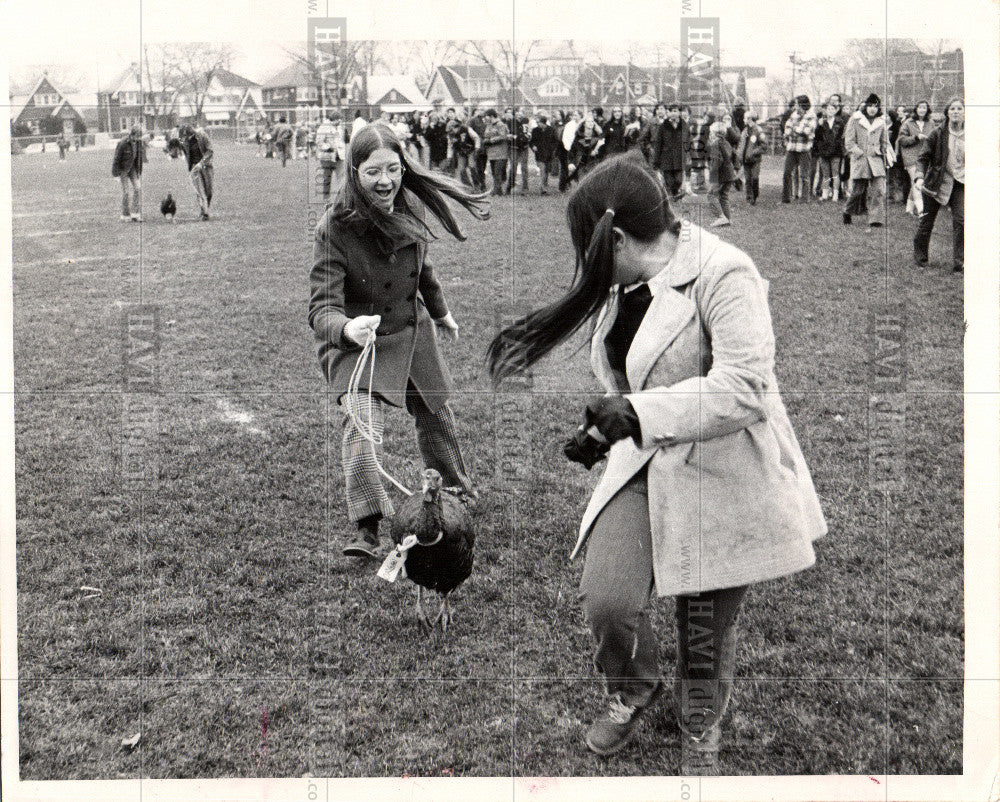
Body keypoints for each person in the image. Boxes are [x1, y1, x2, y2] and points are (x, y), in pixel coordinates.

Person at [486, 154, 825, 774]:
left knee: (700, 621)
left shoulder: (726, 273)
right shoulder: (626, 283)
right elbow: (630, 374)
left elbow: (746, 387)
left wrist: (636, 414)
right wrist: (607, 428)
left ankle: (702, 713)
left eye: (589, 249)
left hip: (723, 470)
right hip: (646, 462)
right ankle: (632, 687)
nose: (586, 267)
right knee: (608, 601)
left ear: (615, 238)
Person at [308, 123, 490, 558]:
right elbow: (321, 309)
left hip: (411, 331)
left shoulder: (411, 210)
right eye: (373, 172)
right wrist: (348, 329)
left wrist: (442, 311)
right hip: (361, 344)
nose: (385, 180)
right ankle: (368, 526)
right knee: (362, 428)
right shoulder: (333, 227)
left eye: (393, 168)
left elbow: (423, 269)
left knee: (436, 414)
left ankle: (457, 493)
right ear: (353, 172)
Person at [912, 97, 964, 273]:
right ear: (947, 113)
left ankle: (960, 262)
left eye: (959, 109)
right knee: (927, 221)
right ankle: (920, 258)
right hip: (936, 182)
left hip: (960, 183)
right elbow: (923, 158)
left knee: (961, 221)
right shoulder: (938, 133)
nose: (956, 112)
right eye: (952, 109)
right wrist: (919, 177)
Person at [842, 93, 894, 228]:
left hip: (876, 160)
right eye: (870, 106)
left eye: (875, 106)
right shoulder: (855, 119)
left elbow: (885, 142)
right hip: (860, 160)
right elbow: (849, 142)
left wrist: (887, 154)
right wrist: (858, 152)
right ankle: (847, 212)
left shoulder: (881, 122)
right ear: (865, 106)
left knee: (879, 190)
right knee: (858, 191)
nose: (872, 109)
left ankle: (875, 219)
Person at [171, 125, 214, 221]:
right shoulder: (184, 140)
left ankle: (205, 209)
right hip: (194, 167)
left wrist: (201, 163)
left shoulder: (202, 136)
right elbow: (177, 144)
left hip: (206, 166)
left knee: (209, 191)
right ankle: (204, 212)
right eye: (184, 137)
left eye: (187, 136)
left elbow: (210, 151)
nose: (186, 139)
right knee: (200, 190)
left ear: (192, 133)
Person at [897, 100, 933, 215]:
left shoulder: (931, 123)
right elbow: (902, 140)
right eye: (920, 107)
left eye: (925, 107)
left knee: (915, 183)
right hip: (911, 157)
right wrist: (916, 137)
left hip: (924, 158)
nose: (922, 110)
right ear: (916, 109)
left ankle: (909, 209)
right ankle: (921, 210)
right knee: (917, 183)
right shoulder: (908, 123)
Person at [652, 103, 690, 201]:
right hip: (666, 159)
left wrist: (688, 155)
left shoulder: (684, 126)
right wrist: (656, 161)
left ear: (679, 113)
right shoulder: (663, 126)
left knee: (678, 180)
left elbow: (688, 141)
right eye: (671, 111)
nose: (673, 114)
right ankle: (674, 195)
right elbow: (658, 144)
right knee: (669, 181)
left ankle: (674, 194)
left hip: (679, 158)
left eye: (675, 111)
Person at [782, 95, 816, 203]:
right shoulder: (793, 115)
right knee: (787, 173)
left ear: (802, 105)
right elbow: (786, 131)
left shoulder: (811, 116)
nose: (795, 106)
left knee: (804, 175)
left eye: (797, 104)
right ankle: (786, 198)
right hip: (792, 148)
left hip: (804, 149)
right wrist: (798, 130)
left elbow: (807, 131)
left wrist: (795, 129)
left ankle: (805, 199)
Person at [111, 125, 147, 222]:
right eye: (138, 136)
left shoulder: (139, 143)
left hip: (133, 169)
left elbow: (139, 158)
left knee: (138, 189)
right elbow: (116, 159)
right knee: (126, 192)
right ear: (132, 134)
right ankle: (125, 215)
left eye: (140, 136)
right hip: (123, 170)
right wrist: (115, 174)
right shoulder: (122, 143)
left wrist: (138, 171)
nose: (139, 138)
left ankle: (135, 213)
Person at [812, 102, 845, 201]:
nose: (830, 111)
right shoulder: (821, 122)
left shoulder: (840, 123)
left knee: (835, 174)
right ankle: (825, 193)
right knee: (825, 174)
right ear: (825, 111)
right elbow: (817, 137)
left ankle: (835, 194)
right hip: (824, 151)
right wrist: (819, 126)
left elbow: (841, 137)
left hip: (836, 151)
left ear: (836, 110)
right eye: (828, 109)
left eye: (832, 109)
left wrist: (839, 148)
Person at [707, 120, 735, 227]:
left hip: (720, 175)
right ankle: (728, 219)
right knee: (724, 196)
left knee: (711, 195)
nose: (710, 135)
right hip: (729, 174)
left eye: (711, 132)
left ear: (715, 133)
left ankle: (720, 217)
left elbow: (717, 161)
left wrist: (712, 173)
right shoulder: (726, 143)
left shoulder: (715, 144)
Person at [316, 111, 348, 201]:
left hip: (339, 156)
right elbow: (319, 142)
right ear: (334, 119)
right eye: (339, 120)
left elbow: (341, 141)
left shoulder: (339, 128)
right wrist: (328, 147)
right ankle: (326, 198)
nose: (340, 122)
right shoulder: (323, 128)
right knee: (327, 178)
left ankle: (342, 197)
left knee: (342, 178)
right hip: (327, 157)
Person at [738, 113, 767, 205]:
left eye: (745, 118)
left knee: (754, 178)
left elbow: (764, 145)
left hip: (755, 160)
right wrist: (740, 154)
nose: (743, 120)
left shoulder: (758, 130)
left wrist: (754, 152)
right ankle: (749, 198)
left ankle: (755, 195)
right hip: (745, 159)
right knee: (747, 179)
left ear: (750, 119)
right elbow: (742, 144)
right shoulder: (745, 131)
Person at [483, 109, 512, 195]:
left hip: (501, 153)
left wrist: (491, 140)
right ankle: (498, 190)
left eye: (486, 116)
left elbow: (503, 136)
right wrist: (486, 140)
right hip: (491, 153)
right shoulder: (488, 125)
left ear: (491, 116)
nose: (485, 118)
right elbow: (485, 135)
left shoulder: (501, 125)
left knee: (497, 172)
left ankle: (496, 190)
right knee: (493, 172)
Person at [530, 112, 559, 195]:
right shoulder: (535, 131)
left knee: (546, 170)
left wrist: (552, 149)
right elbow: (531, 142)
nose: (537, 124)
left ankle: (545, 185)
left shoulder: (551, 130)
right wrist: (533, 146)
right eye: (537, 122)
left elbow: (556, 141)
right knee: (542, 169)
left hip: (549, 154)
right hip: (539, 154)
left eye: (539, 122)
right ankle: (543, 188)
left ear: (543, 122)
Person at [509, 108, 532, 194]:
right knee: (513, 167)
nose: (520, 114)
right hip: (514, 147)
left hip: (524, 147)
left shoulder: (526, 121)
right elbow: (508, 133)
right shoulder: (510, 122)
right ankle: (510, 186)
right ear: (514, 114)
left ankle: (525, 188)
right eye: (518, 112)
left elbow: (529, 131)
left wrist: (528, 135)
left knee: (524, 167)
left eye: (521, 112)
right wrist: (512, 136)